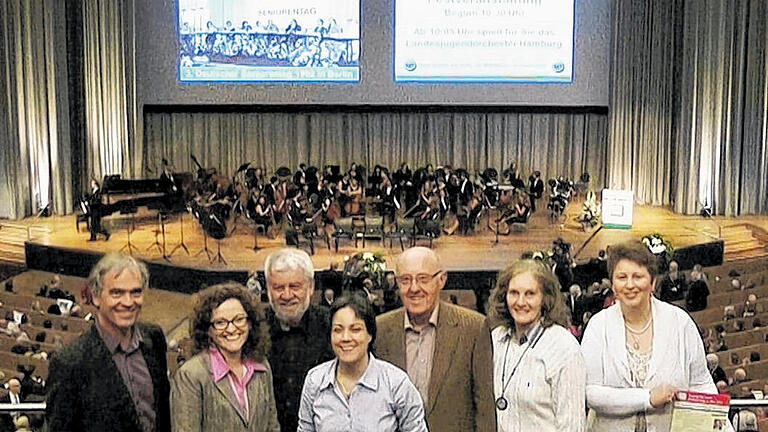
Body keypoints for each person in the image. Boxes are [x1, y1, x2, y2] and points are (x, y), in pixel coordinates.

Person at [580, 241, 724, 432]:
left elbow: (702, 384)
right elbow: (591, 393)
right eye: (622, 277)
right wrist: (647, 399)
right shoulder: (597, 326)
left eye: (638, 276)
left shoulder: (680, 322)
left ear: (653, 282)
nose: (630, 285)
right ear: (613, 285)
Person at [374, 247, 496, 432]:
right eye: (405, 280)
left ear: (441, 280)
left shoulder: (474, 328)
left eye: (423, 279)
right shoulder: (380, 330)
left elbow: (484, 403)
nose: (414, 288)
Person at [45, 253, 170, 432]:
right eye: (117, 293)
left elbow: (163, 415)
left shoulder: (154, 338)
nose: (128, 302)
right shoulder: (70, 362)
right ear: (96, 297)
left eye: (136, 292)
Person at [297, 294, 427, 431]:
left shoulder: (396, 384)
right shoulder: (315, 381)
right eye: (338, 330)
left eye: (355, 329)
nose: (346, 338)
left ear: (370, 334)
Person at [489, 259, 586, 431]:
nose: (520, 302)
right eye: (514, 293)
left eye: (530, 294)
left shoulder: (564, 347)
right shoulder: (495, 339)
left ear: (545, 298)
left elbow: (572, 425)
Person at [171, 282, 279, 431]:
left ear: (250, 323)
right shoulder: (191, 376)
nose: (231, 328)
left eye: (239, 319)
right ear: (208, 330)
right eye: (220, 322)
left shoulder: (262, 366)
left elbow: (272, 427)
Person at [264, 248, 334, 432]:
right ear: (268, 289)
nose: (287, 295)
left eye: (294, 287)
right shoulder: (253, 329)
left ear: (310, 288)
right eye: (279, 288)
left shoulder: (333, 327)